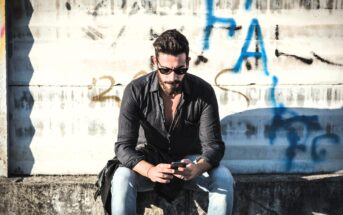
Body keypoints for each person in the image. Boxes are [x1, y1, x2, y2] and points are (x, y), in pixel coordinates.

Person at [111, 29, 234, 215]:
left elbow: (214, 146)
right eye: (165, 70)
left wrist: (198, 167)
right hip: (150, 160)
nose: (172, 78)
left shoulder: (203, 91)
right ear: (155, 62)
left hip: (189, 162)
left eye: (180, 70)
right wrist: (150, 170)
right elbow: (123, 147)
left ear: (188, 63)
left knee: (223, 178)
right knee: (121, 177)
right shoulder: (135, 91)